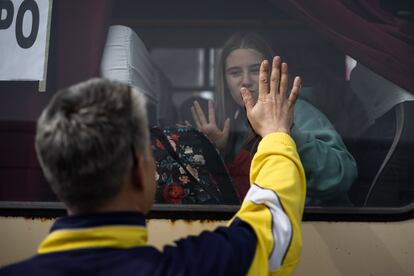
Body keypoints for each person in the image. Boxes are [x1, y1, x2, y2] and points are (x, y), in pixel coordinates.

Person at [0, 58, 306, 276]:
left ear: (56, 177)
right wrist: (276, 133)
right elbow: (273, 225)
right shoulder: (196, 266)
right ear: (141, 171)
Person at [192, 32, 357, 206]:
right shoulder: (236, 123)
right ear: (224, 80)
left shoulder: (297, 112)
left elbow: (342, 176)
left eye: (256, 70)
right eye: (235, 73)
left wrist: (285, 131)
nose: (246, 81)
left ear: (273, 74)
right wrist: (220, 152)